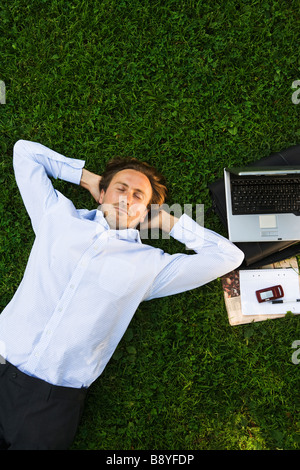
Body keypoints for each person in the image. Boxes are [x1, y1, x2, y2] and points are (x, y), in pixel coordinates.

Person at [0, 140, 244, 450]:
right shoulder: (57, 218)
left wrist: (169, 222)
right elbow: (24, 152)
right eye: (120, 188)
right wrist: (87, 178)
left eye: (138, 195)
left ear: (146, 212)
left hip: (51, 402)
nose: (127, 197)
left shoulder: (150, 266)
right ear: (103, 194)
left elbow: (228, 257)